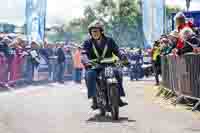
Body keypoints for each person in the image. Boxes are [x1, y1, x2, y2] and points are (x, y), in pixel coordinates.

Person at [82, 20, 128, 109]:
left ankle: (118, 97)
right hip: (94, 66)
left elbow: (117, 51)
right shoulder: (87, 42)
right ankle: (94, 98)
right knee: (89, 75)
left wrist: (123, 57)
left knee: (118, 73)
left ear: (101, 31)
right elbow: (84, 54)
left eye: (96, 31)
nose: (94, 33)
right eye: (92, 31)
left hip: (108, 65)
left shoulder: (109, 41)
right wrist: (86, 61)